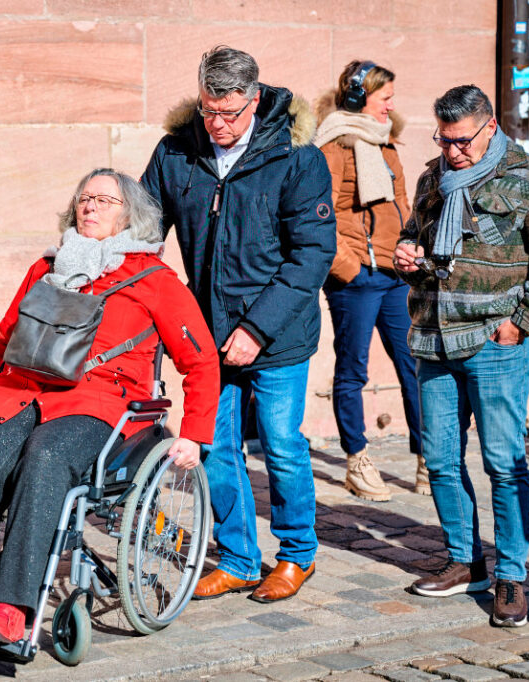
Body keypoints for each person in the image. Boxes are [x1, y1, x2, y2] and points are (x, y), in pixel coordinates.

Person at [0, 169, 220, 644]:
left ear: (130, 216)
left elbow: (201, 360)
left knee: (48, 456)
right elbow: (7, 334)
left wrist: (195, 434)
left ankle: (13, 609)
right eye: (84, 198)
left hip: (98, 403)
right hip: (17, 393)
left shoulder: (154, 280)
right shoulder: (47, 268)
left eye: (103, 200)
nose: (90, 206)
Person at [141, 46, 336, 603]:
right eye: (209, 111)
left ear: (254, 99)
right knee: (214, 447)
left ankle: (298, 554)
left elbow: (312, 255)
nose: (219, 125)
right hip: (206, 332)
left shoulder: (297, 156)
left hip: (278, 334)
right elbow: (142, 222)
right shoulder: (176, 150)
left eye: (231, 113)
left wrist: (256, 328)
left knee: (281, 446)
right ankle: (239, 557)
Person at [394, 85, 529, 627]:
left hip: (497, 345)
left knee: (503, 462)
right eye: (443, 141)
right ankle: (465, 560)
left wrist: (522, 325)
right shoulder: (431, 178)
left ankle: (511, 576)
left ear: (490, 127)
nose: (453, 152)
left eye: (462, 141)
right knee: (442, 460)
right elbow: (414, 234)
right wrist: (407, 253)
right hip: (433, 339)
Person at [313, 61, 427, 502]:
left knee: (414, 367)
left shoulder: (387, 145)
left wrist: (410, 247)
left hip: (396, 277)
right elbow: (318, 216)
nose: (391, 106)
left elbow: (403, 206)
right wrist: (348, 269)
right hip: (357, 278)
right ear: (360, 98)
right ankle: (357, 461)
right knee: (353, 371)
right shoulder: (334, 147)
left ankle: (426, 459)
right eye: (385, 98)